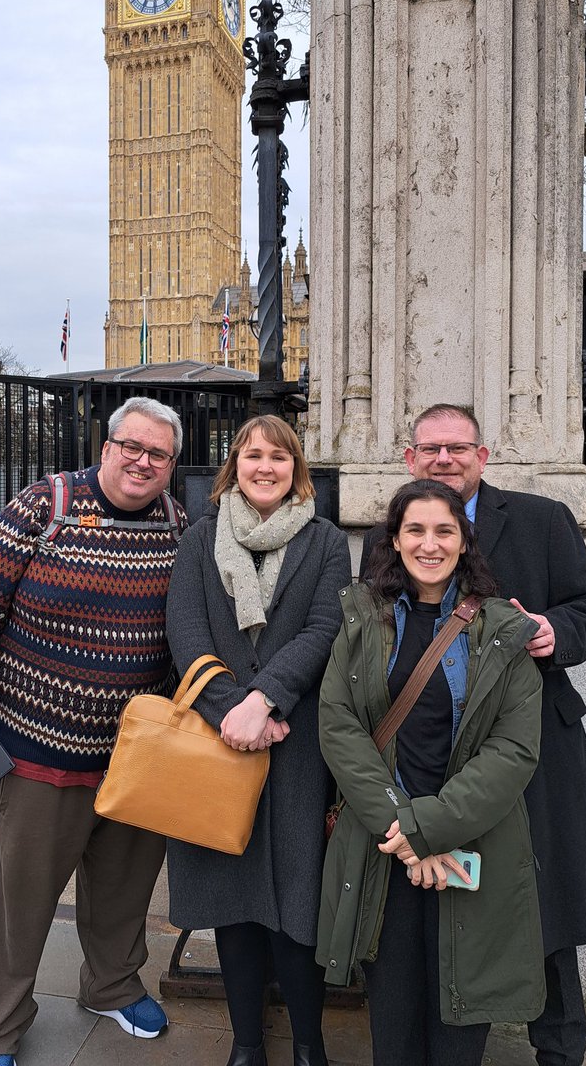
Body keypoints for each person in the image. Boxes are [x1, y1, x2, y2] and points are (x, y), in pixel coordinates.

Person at [360, 404, 586, 1066]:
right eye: (431, 448)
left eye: (458, 447)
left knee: (541, 905)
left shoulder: (540, 520)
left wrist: (558, 633)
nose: (445, 458)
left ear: (484, 456)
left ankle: (559, 1047)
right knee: (447, 899)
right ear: (409, 458)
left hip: (531, 756)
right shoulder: (388, 536)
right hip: (429, 760)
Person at [0, 397, 187, 1066]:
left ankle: (111, 985)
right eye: (131, 446)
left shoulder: (176, 523)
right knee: (18, 903)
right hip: (36, 750)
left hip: (136, 757)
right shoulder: (43, 507)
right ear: (105, 448)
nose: (142, 461)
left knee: (124, 891)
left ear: (171, 465)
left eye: (158, 453)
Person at [319, 478, 545, 1066]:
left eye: (444, 530)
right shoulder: (362, 618)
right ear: (393, 540)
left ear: (464, 542)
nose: (429, 544)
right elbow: (339, 726)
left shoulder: (502, 629)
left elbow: (513, 751)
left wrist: (430, 829)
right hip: (385, 848)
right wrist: (403, 830)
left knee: (460, 1019)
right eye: (414, 530)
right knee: (392, 1018)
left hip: (470, 847)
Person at [165, 415, 351, 1066]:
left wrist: (264, 698)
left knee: (298, 903)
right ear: (234, 465)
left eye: (278, 456)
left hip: (295, 740)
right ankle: (246, 1042)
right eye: (253, 455)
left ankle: (308, 1042)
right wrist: (232, 712)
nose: (265, 466)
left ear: (295, 467)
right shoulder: (200, 539)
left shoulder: (326, 541)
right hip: (220, 742)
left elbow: (326, 627)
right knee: (234, 903)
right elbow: (185, 632)